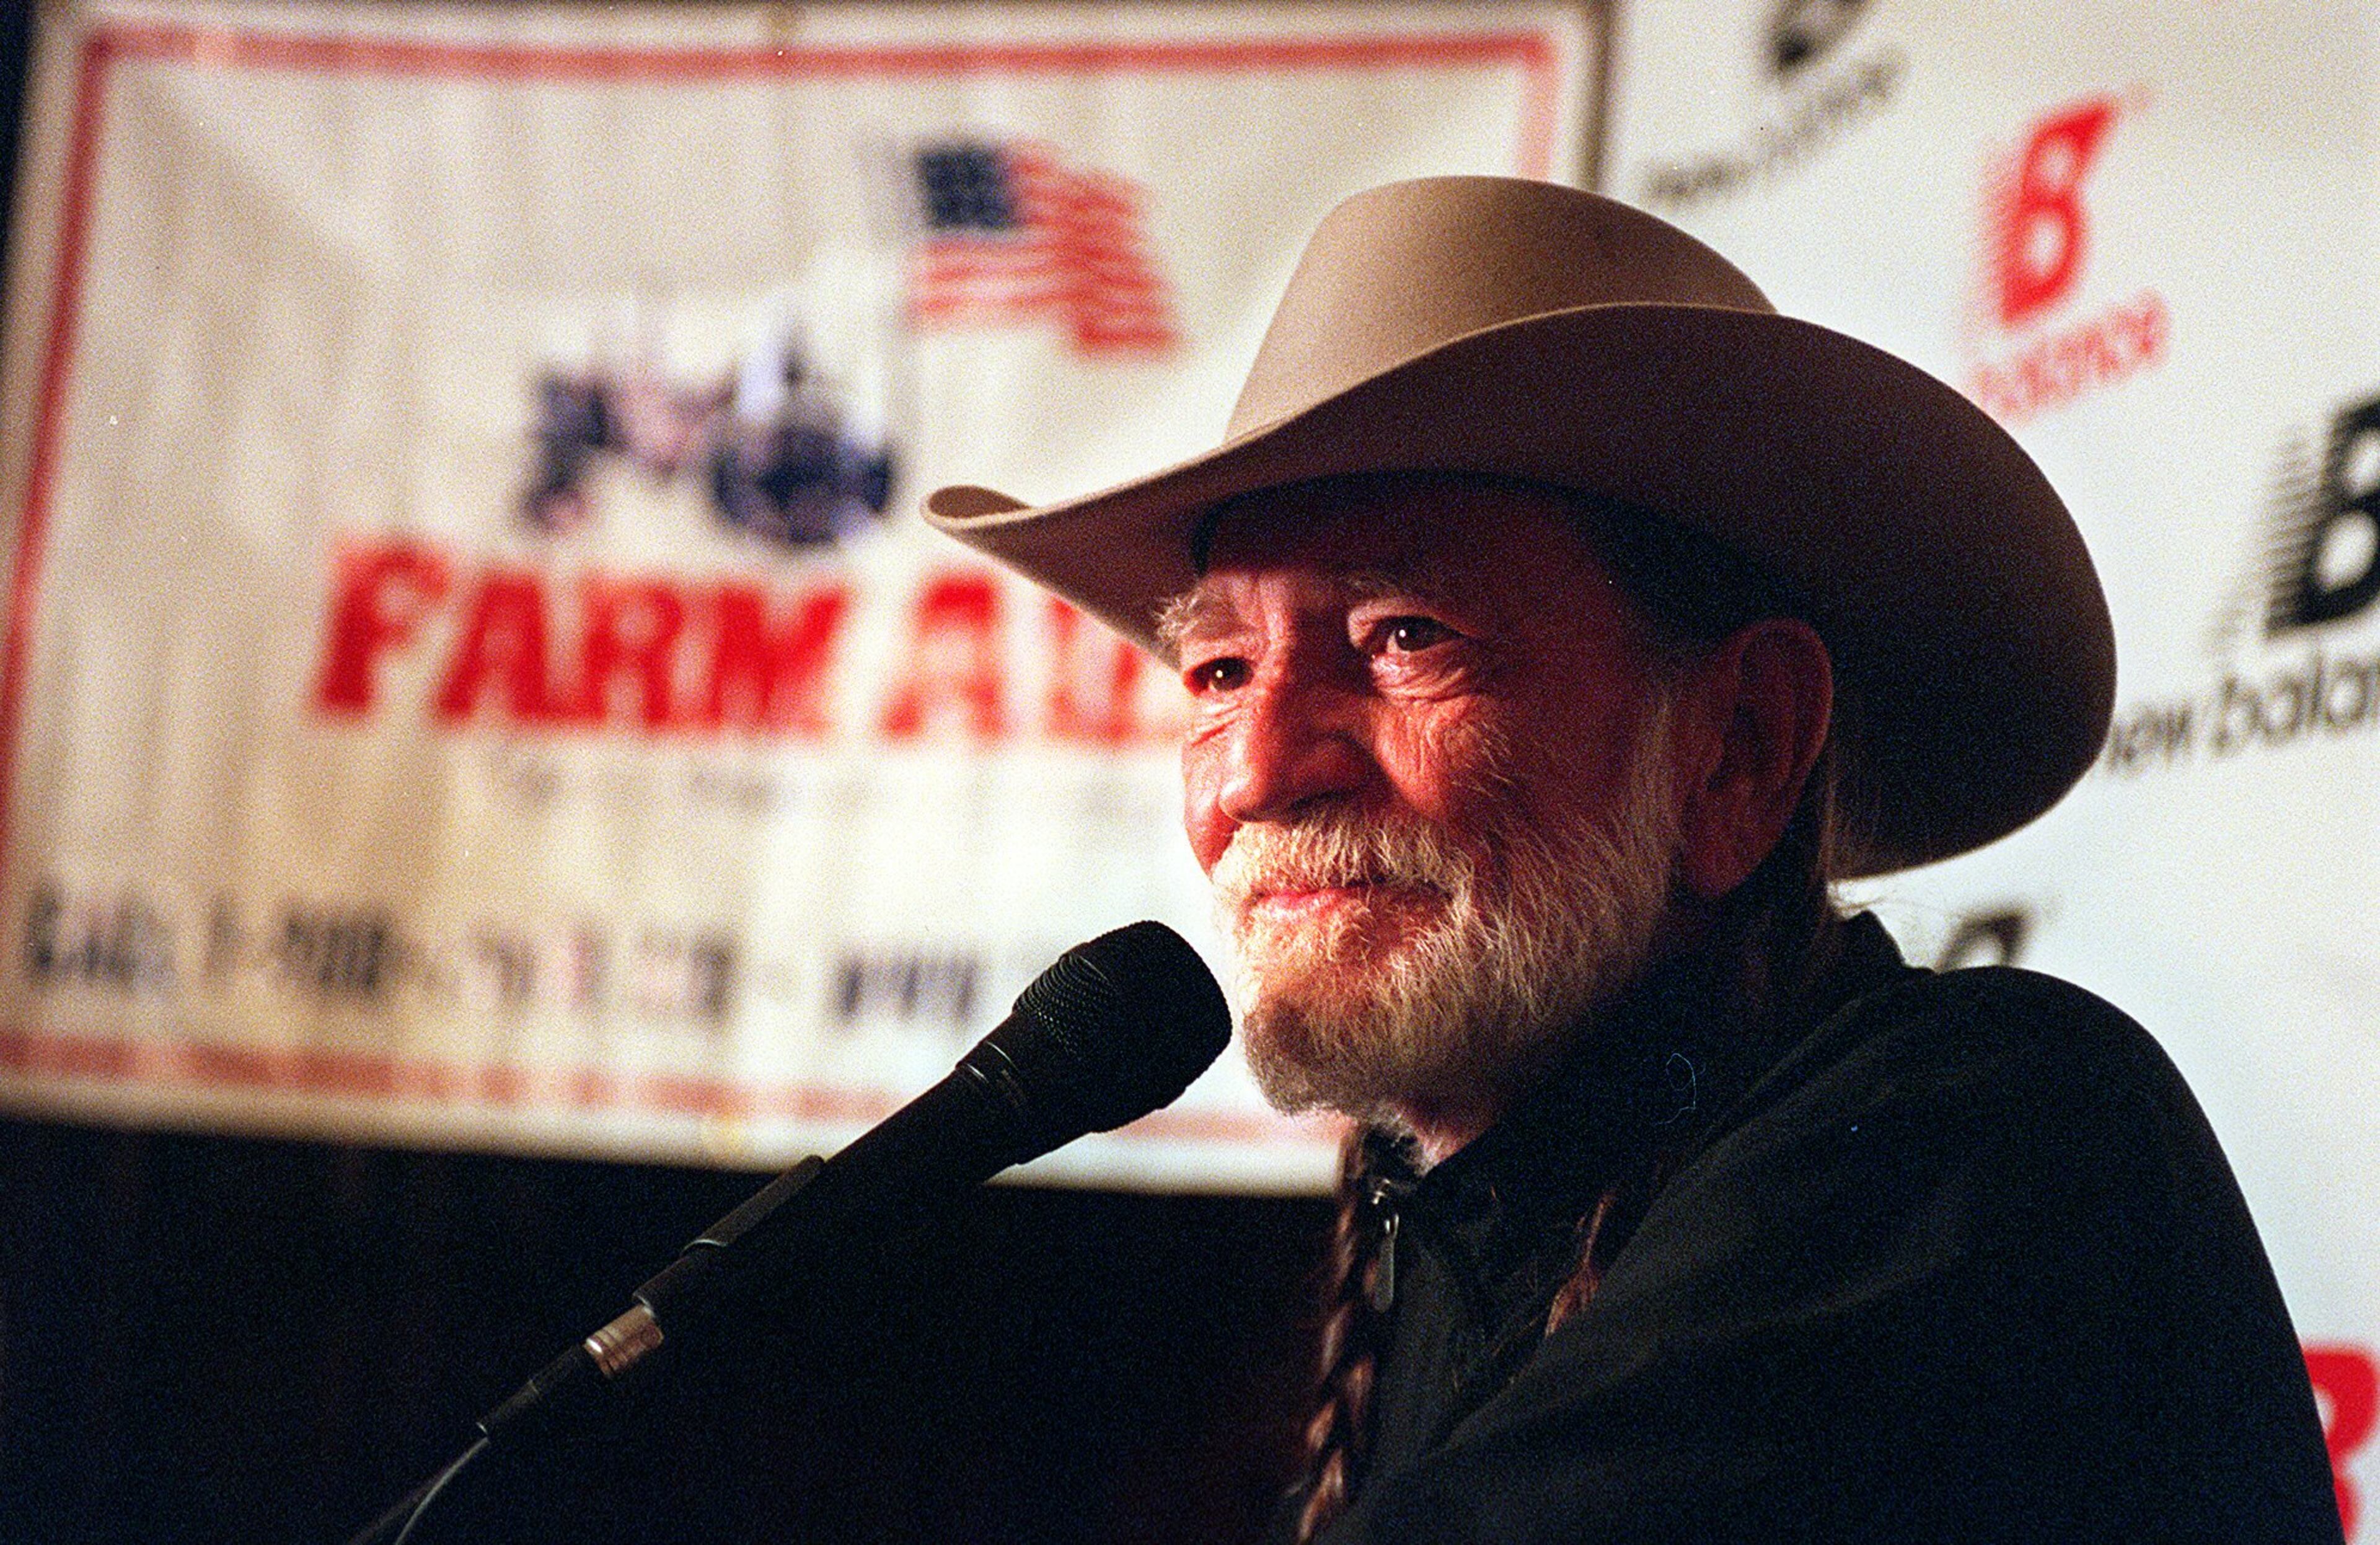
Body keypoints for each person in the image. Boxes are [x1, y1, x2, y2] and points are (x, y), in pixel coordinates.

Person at [926, 178, 2343, 1542]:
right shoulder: (1436, 1238)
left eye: (1407, 636)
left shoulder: (1986, 1130)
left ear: (1738, 744)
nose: (1255, 769)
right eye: (1221, 669)